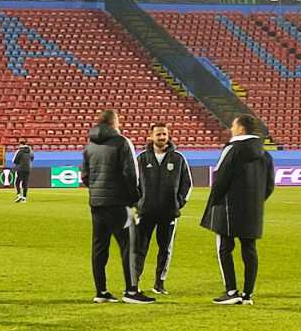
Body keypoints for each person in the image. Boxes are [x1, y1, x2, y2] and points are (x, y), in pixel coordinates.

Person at [201, 113, 275, 305]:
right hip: (252, 210)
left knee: (225, 248)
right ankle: (248, 294)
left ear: (241, 128)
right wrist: (255, 202)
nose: (231, 129)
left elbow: (220, 178)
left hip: (228, 208)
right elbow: (269, 185)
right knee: (249, 248)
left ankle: (231, 291)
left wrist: (213, 203)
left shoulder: (232, 149)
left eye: (233, 126)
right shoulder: (264, 154)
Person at [80, 108, 152, 304]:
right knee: (129, 246)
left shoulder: (89, 146)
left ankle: (101, 291)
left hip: (96, 203)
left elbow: (85, 176)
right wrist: (135, 199)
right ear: (114, 123)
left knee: (99, 247)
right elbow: (131, 174)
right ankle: (131, 290)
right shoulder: (122, 142)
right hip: (119, 203)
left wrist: (96, 191)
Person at [133, 122, 191, 294]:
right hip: (146, 212)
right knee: (139, 248)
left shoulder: (178, 158)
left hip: (168, 213)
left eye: (164, 134)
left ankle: (159, 283)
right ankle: (134, 283)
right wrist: (139, 203)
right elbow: (133, 185)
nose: (162, 137)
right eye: (158, 134)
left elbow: (187, 185)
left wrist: (177, 203)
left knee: (165, 249)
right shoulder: (142, 158)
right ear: (151, 136)